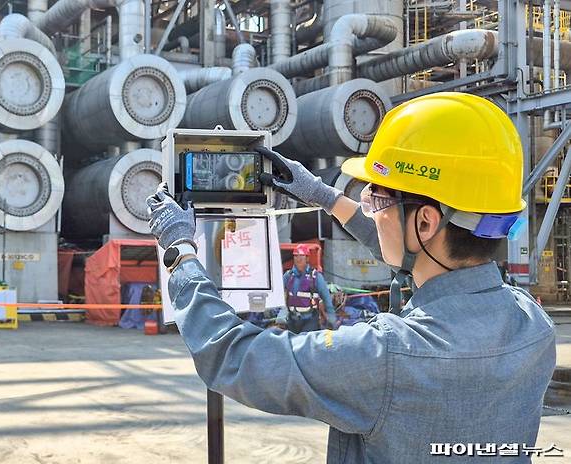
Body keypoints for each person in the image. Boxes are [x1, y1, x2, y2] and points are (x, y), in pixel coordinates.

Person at [146, 92, 556, 463]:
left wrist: (180, 252)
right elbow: (416, 253)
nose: (373, 213)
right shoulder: (534, 327)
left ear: (427, 221)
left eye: (378, 198)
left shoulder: (385, 356)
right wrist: (326, 197)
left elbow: (233, 359)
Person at [280, 243, 337, 332]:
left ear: (307, 258)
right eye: (296, 256)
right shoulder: (288, 276)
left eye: (301, 256)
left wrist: (331, 319)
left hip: (310, 320)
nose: (298, 259)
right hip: (292, 319)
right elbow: (278, 293)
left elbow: (326, 298)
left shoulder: (315, 277)